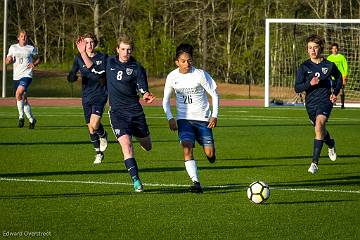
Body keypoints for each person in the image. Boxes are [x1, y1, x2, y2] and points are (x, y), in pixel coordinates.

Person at [79, 34, 155, 192]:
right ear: (117, 50)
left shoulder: (137, 68)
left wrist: (146, 95)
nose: (126, 53)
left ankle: (140, 137)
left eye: (128, 50)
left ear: (132, 51)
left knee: (147, 146)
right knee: (126, 147)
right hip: (117, 114)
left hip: (135, 113)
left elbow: (143, 88)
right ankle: (136, 181)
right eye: (123, 49)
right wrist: (83, 53)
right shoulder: (109, 62)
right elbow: (93, 68)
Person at [162, 43, 219, 193]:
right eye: (183, 61)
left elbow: (214, 94)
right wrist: (170, 118)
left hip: (203, 119)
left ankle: (208, 150)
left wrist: (214, 115)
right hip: (184, 120)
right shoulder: (172, 77)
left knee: (210, 154)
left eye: (189, 61)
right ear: (177, 62)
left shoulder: (200, 74)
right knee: (187, 148)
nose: (187, 64)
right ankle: (196, 182)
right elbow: (165, 101)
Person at [295, 35, 342, 174]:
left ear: (320, 48)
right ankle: (331, 143)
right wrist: (309, 84)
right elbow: (297, 88)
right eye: (310, 48)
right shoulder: (304, 67)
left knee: (320, 124)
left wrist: (335, 93)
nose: (312, 50)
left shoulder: (329, 65)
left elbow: (338, 78)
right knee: (319, 130)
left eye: (315, 47)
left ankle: (314, 163)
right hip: (310, 103)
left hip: (325, 100)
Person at [67, 33, 108, 164]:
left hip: (100, 94)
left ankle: (103, 135)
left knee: (95, 123)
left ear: (95, 43)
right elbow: (72, 72)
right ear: (82, 44)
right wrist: (71, 77)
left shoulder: (102, 57)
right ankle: (98, 153)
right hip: (86, 95)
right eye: (86, 42)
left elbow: (100, 73)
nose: (89, 45)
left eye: (91, 42)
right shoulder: (78, 58)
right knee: (90, 127)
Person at [5, 30, 40, 129]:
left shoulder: (31, 48)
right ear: (18, 38)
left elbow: (38, 58)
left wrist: (34, 64)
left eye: (25, 36)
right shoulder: (13, 47)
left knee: (18, 93)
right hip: (16, 76)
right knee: (23, 99)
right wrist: (8, 60)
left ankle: (21, 117)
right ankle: (32, 119)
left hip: (27, 75)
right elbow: (7, 59)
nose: (24, 38)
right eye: (22, 36)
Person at [327, 43, 349, 109]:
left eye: (336, 48)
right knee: (331, 90)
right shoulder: (329, 58)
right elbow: (327, 67)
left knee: (341, 90)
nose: (334, 50)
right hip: (332, 77)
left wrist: (345, 76)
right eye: (333, 48)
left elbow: (345, 67)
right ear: (331, 50)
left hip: (340, 77)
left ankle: (342, 104)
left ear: (337, 49)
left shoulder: (341, 57)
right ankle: (331, 101)